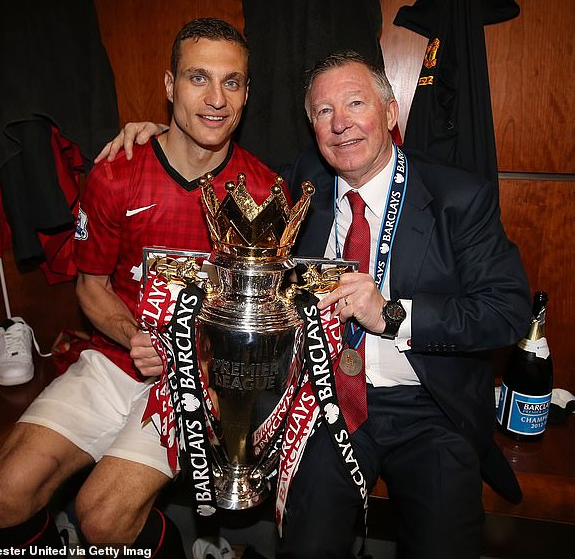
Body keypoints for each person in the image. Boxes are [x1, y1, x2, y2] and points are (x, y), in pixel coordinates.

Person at [98, 52, 531, 558]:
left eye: (354, 103)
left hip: (430, 407)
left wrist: (392, 313)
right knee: (306, 544)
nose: (340, 124)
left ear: (390, 114)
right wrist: (164, 133)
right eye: (323, 112)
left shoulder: (457, 196)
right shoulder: (302, 183)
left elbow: (507, 311)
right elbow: (218, 168)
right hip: (327, 404)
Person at [0, 18, 278, 555]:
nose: (215, 98)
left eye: (232, 82)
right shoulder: (117, 171)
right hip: (114, 359)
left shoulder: (262, 191)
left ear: (248, 93)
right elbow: (90, 288)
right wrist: (137, 333)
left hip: (197, 382)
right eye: (197, 78)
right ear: (168, 86)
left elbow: (260, 323)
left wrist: (201, 362)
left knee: (103, 517)